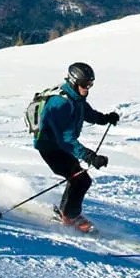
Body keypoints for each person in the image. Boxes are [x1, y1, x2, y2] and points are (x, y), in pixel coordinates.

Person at [34, 61, 119, 232]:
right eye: (84, 84)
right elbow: (66, 140)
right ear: (73, 81)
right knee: (80, 179)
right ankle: (70, 217)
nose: (87, 88)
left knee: (78, 178)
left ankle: (67, 213)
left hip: (60, 146)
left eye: (90, 84)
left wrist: (104, 118)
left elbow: (86, 112)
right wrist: (89, 156)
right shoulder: (60, 104)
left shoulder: (75, 97)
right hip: (50, 147)